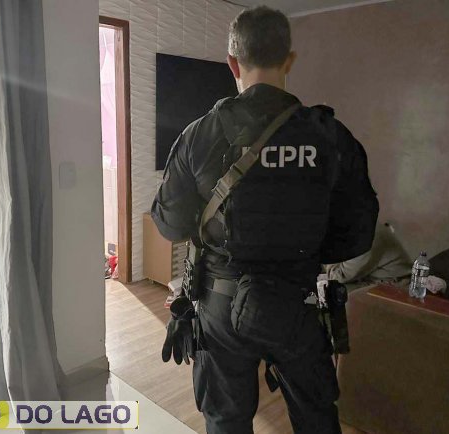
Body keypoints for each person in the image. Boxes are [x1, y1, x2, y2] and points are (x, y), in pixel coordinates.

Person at [151, 6, 379, 434]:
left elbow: (169, 224)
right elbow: (358, 234)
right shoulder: (330, 136)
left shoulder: (199, 134)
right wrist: (303, 247)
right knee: (316, 419)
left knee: (226, 421)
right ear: (289, 61)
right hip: (298, 303)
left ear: (232, 63)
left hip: (220, 305)